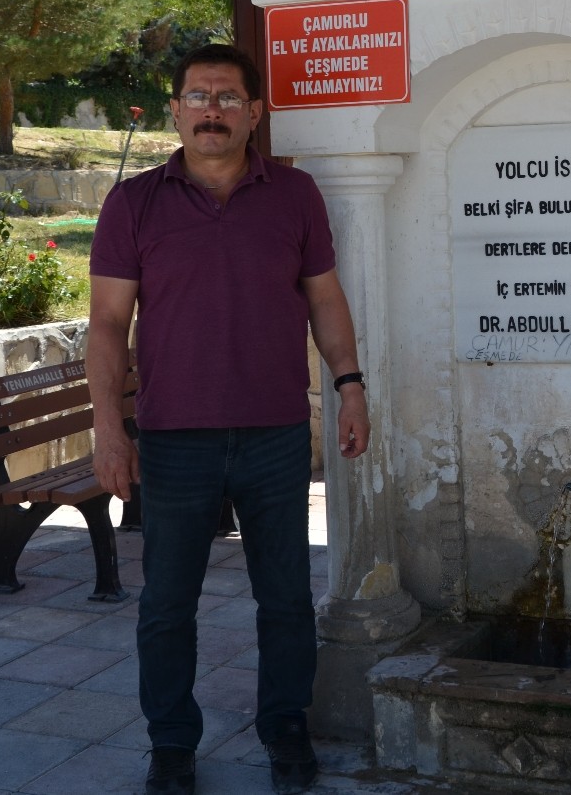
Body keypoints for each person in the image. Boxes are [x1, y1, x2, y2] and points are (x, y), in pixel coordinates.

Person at [87, 42, 369, 795]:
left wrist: (349, 384)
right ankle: (172, 743)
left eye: (227, 97)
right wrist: (109, 428)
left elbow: (325, 297)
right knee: (166, 605)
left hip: (276, 433)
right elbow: (108, 324)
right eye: (198, 96)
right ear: (176, 109)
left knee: (283, 597)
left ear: (255, 112)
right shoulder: (134, 203)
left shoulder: (296, 196)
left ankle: (284, 728)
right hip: (175, 439)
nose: (212, 110)